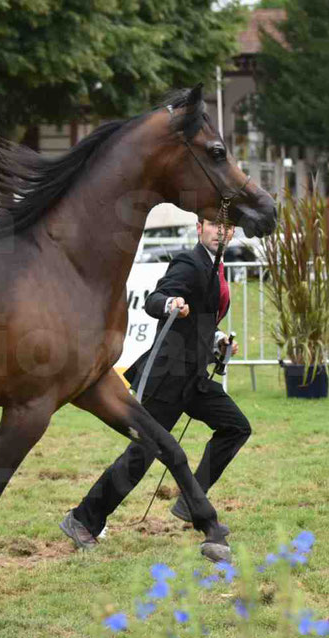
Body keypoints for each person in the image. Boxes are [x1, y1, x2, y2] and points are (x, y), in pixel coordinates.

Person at [60, 218, 251, 549]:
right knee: (143, 454)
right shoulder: (189, 262)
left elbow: (203, 318)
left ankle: (191, 502)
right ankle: (83, 519)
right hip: (169, 376)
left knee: (236, 426)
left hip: (194, 376)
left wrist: (218, 339)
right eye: (214, 224)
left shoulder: (217, 266)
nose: (222, 231)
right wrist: (169, 304)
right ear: (199, 226)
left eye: (229, 226)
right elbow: (155, 299)